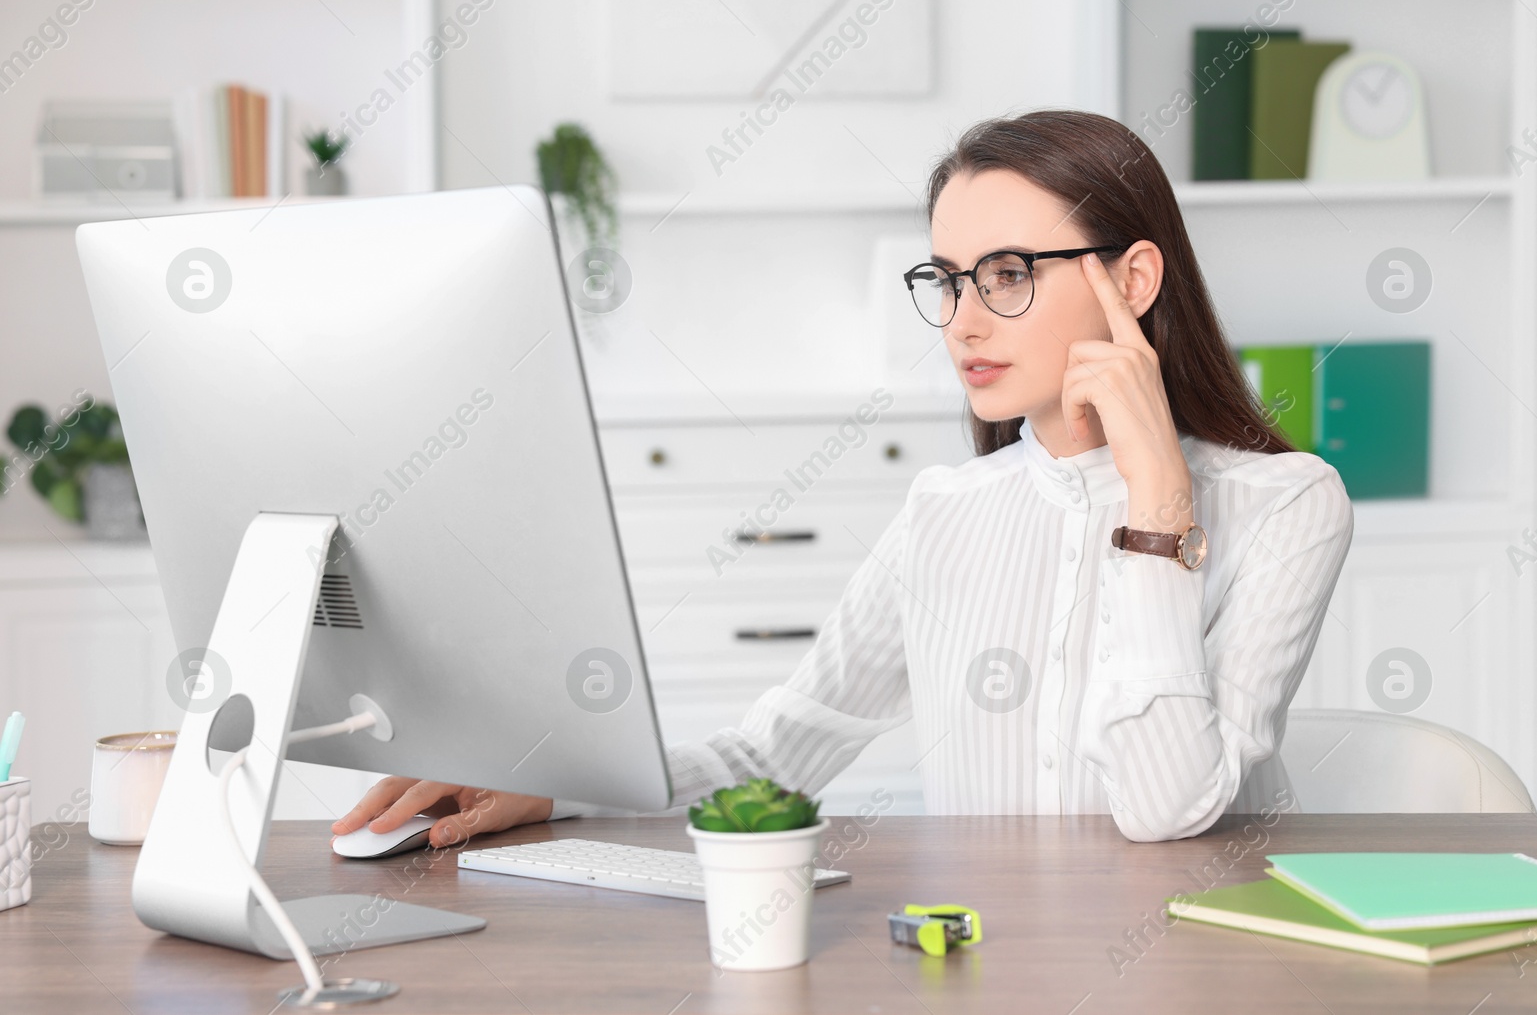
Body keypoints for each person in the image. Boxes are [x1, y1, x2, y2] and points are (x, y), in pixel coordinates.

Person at [331, 109, 1353, 847]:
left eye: (1005, 274)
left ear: (1130, 279)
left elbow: (1162, 804)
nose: (962, 319)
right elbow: (780, 749)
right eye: (947, 280)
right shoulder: (944, 514)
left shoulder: (1287, 505)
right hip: (990, 973)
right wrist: (558, 789)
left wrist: (1155, 504)